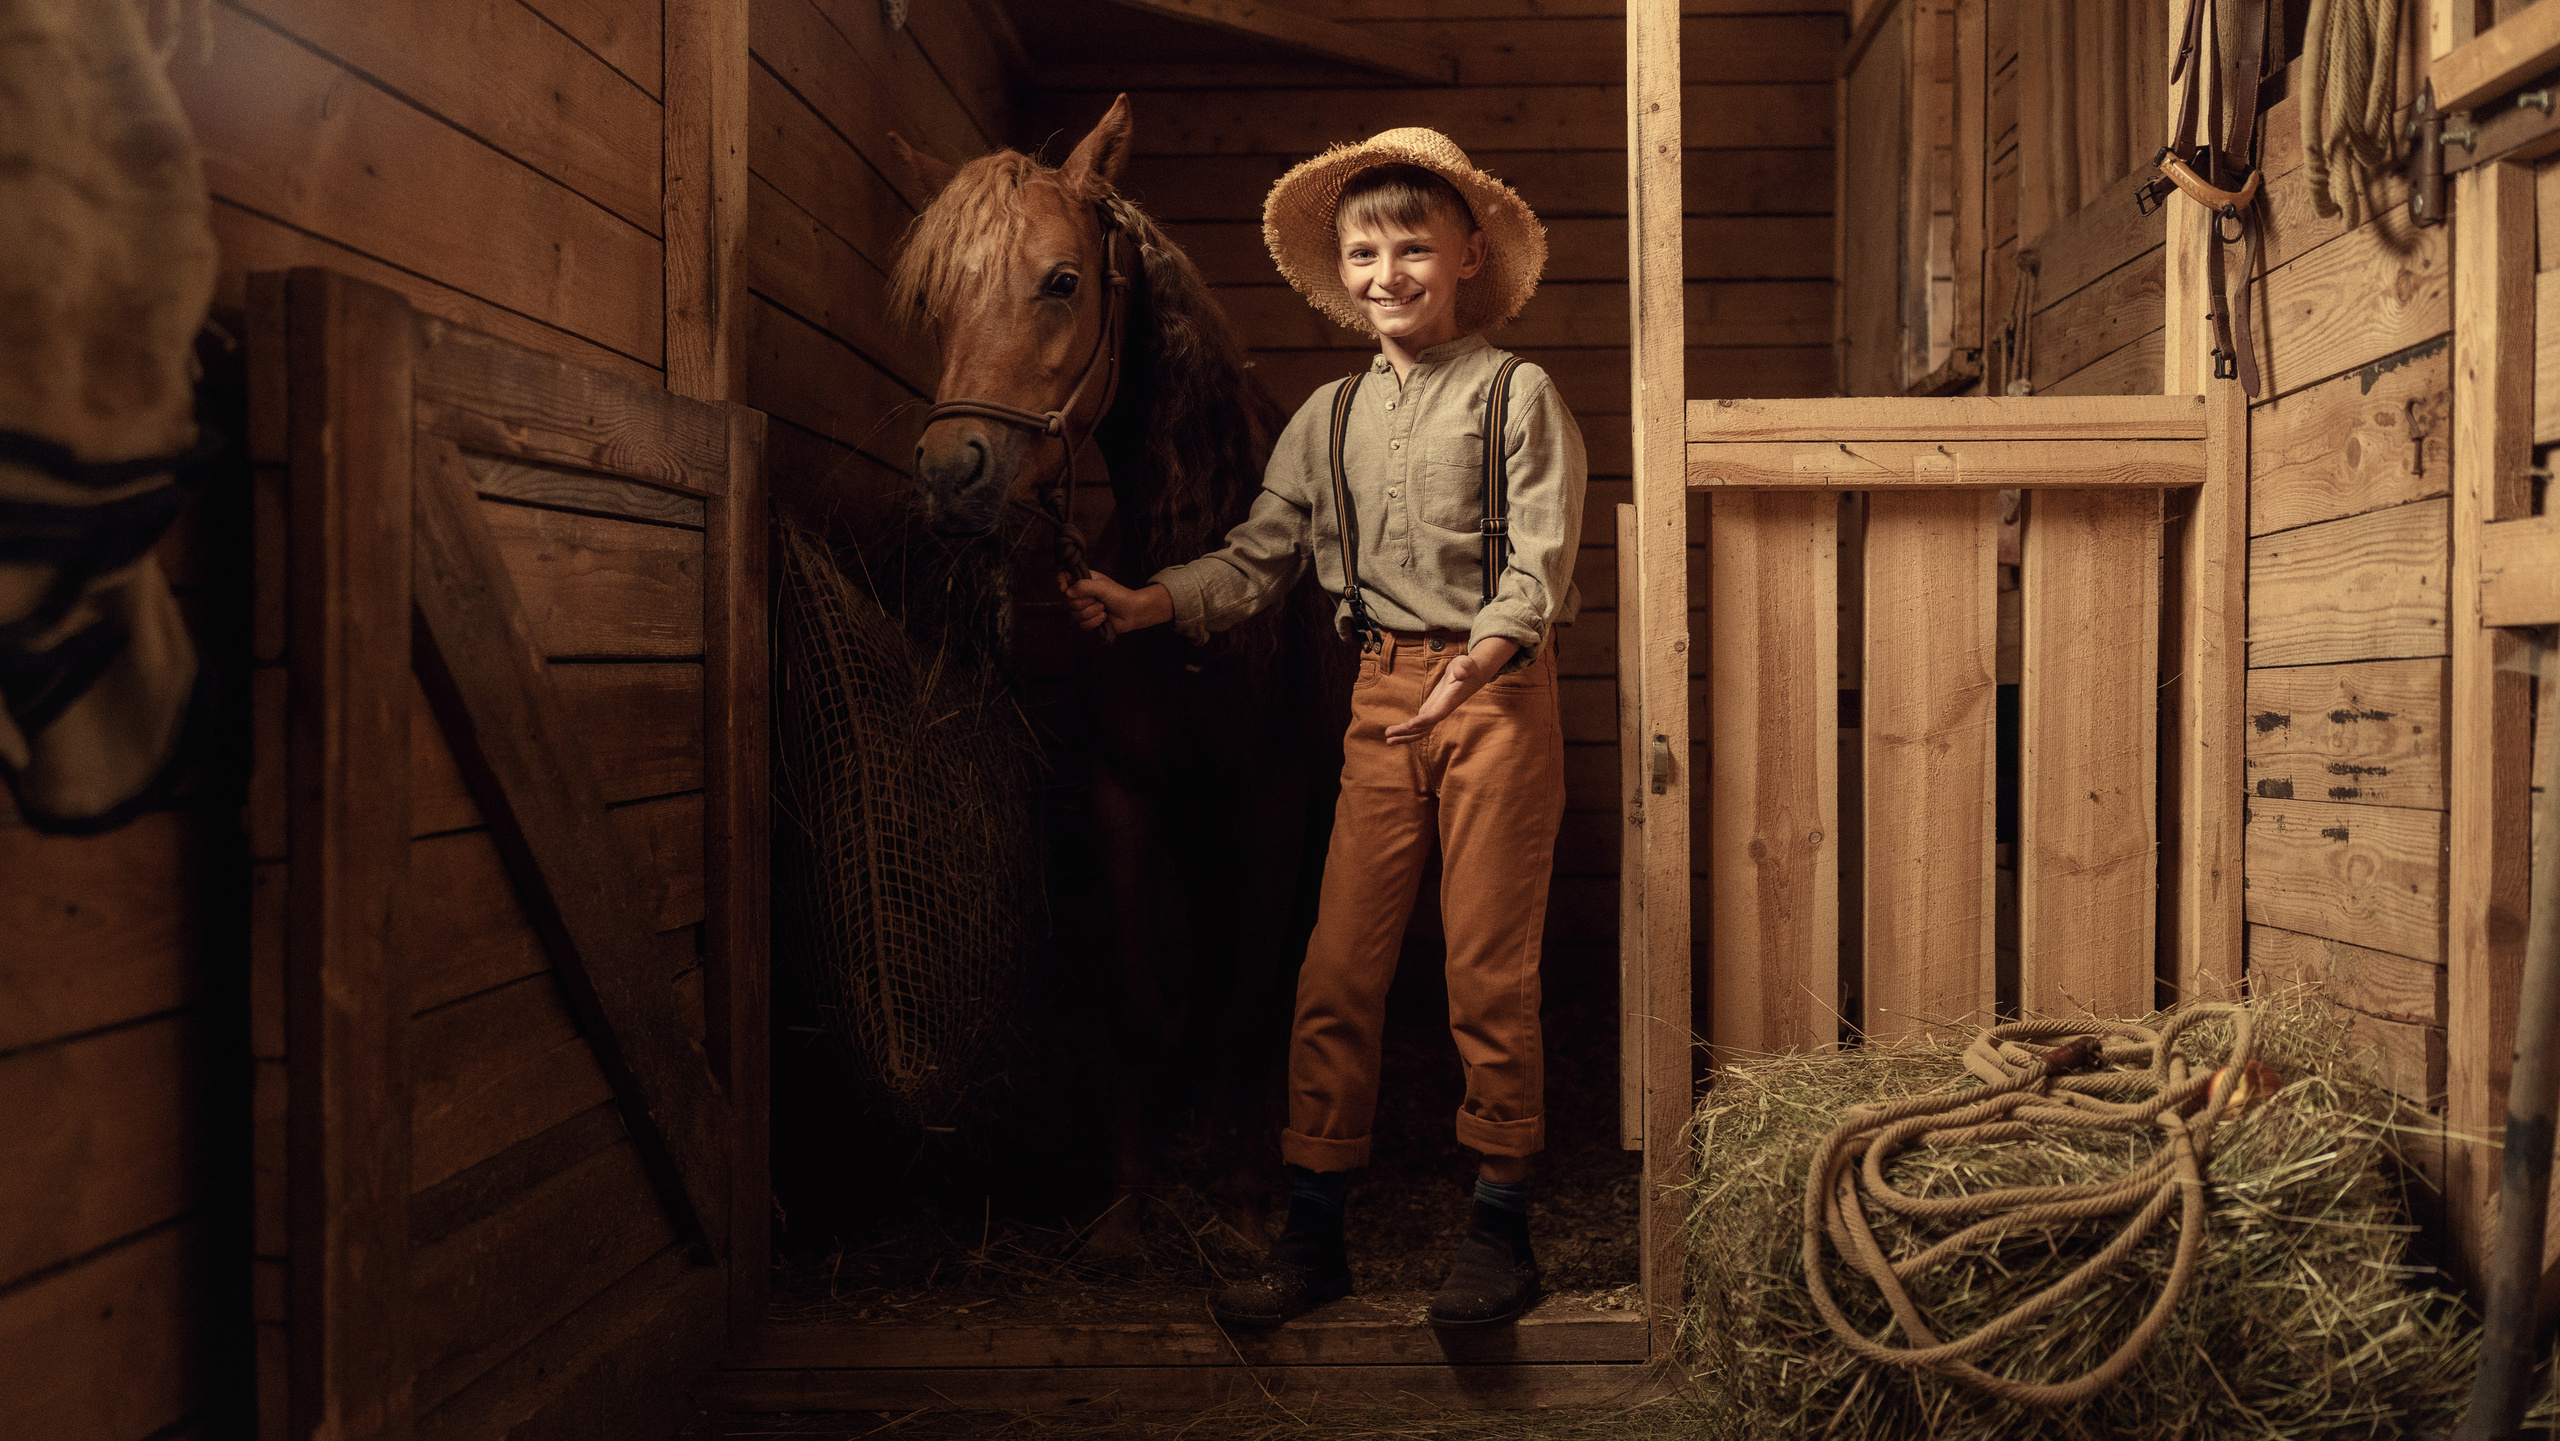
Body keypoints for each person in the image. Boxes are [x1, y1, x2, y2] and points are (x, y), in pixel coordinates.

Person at [1061, 128, 1586, 1330]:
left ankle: (1501, 1232)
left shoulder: (1518, 395)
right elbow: (1259, 557)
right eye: (1363, 249)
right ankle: (1313, 1238)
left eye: (1411, 245)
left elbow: (1541, 566)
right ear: (1342, 270)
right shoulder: (1327, 417)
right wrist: (1148, 602)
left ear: (1465, 256)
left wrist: (1480, 664)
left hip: (1493, 697)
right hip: (1380, 703)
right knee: (1334, 970)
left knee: (1483, 973)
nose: (1386, 270)